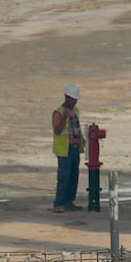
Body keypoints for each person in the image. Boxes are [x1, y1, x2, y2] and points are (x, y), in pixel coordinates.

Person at [51, 84, 84, 213]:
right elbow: (58, 131)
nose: (74, 102)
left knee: (73, 176)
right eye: (72, 99)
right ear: (66, 97)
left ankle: (69, 202)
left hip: (74, 147)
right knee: (64, 177)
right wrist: (65, 117)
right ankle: (59, 203)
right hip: (63, 150)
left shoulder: (76, 110)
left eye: (75, 99)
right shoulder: (58, 112)